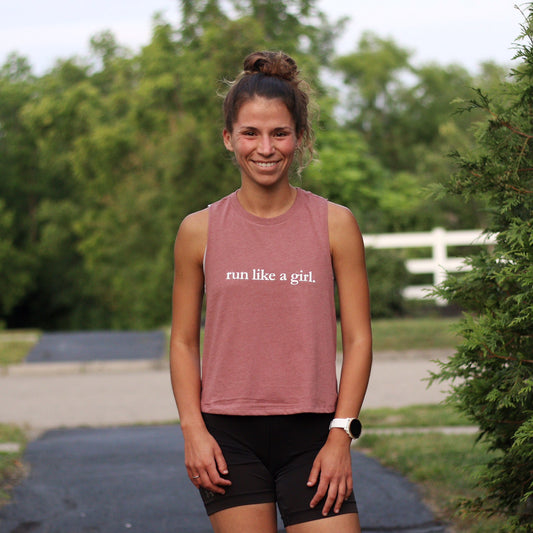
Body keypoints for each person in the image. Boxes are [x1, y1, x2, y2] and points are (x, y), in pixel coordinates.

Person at [169, 50, 372, 533]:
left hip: (314, 435)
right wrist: (193, 431)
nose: (266, 147)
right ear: (228, 138)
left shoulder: (335, 224)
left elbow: (359, 339)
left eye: (280, 133)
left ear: (298, 137)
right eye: (251, 133)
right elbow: (181, 341)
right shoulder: (198, 230)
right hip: (227, 439)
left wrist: (341, 435)